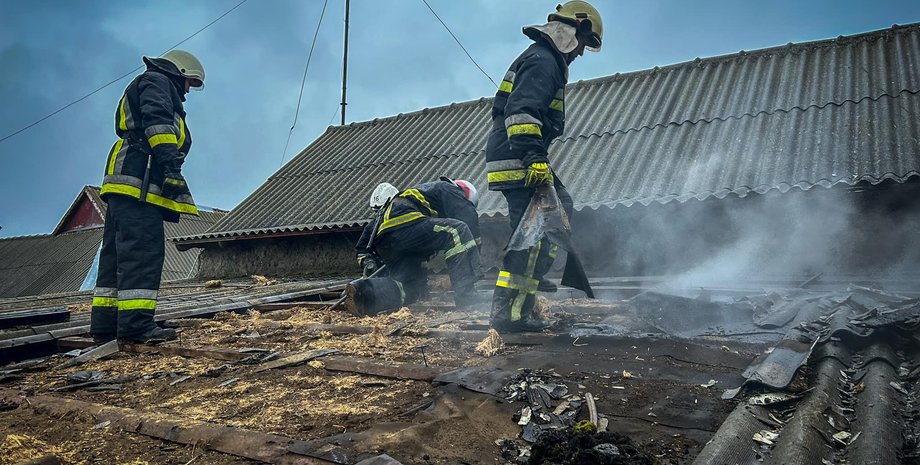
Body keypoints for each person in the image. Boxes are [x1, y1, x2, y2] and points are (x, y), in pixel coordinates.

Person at [485, 1, 603, 332]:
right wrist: (535, 159)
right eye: (584, 44)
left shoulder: (542, 58)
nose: (580, 53)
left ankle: (519, 306)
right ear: (574, 29)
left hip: (517, 154)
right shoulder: (543, 61)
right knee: (535, 234)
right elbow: (520, 114)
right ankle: (510, 315)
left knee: (557, 211)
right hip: (519, 156)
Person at [89, 50, 206, 343]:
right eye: (189, 82)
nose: (188, 90)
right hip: (139, 181)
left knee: (117, 256)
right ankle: (136, 326)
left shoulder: (150, 82)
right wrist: (170, 165)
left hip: (126, 183)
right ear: (178, 71)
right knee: (142, 253)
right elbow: (158, 124)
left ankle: (107, 326)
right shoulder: (157, 82)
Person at [353, 178, 484, 310]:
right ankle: (467, 297)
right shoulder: (448, 188)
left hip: (388, 242)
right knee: (457, 230)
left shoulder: (382, 216)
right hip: (406, 225)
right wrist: (474, 258)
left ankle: (364, 294)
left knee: (409, 287)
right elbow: (468, 217)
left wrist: (367, 261)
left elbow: (362, 247)